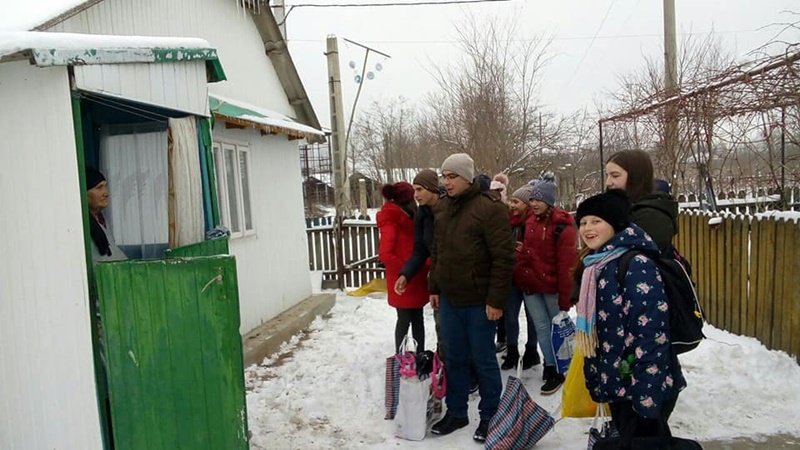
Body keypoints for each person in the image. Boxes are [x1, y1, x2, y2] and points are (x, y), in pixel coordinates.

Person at [574, 189, 686, 449]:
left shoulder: (636, 264)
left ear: (615, 224)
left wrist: (647, 396)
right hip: (620, 384)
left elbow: (652, 335)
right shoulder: (597, 265)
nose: (587, 228)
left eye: (596, 221)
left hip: (643, 389)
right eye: (582, 222)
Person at [428, 153, 514, 443]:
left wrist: (496, 301)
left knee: (483, 360)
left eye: (452, 177)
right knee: (454, 358)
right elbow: (438, 251)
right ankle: (457, 412)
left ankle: (491, 414)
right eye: (444, 176)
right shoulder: (442, 208)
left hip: (480, 301)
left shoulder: (490, 209)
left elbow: (503, 259)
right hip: (451, 299)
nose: (446, 182)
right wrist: (435, 287)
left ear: (467, 177)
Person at [517, 177, 577, 395]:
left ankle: (564, 366)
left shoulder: (562, 225)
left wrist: (565, 296)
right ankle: (550, 366)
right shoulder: (530, 221)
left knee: (558, 329)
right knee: (541, 327)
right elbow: (527, 253)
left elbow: (566, 264)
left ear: (550, 201)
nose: (533, 203)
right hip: (531, 285)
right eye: (532, 199)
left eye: (539, 200)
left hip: (552, 287)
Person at [377, 181, 429, 352]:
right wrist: (406, 272)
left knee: (417, 318)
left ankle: (419, 355)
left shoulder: (410, 216)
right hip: (403, 279)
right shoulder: (392, 219)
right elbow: (386, 254)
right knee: (404, 319)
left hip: (414, 276)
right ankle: (401, 355)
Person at [605, 150, 678, 252]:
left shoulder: (651, 216)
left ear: (635, 177)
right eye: (607, 175)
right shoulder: (619, 207)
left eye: (615, 176)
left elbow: (633, 256)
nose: (608, 182)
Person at [502, 182, 540, 371]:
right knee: (510, 316)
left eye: (516, 201)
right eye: (512, 201)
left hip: (530, 277)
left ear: (527, 203)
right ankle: (512, 351)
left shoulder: (536, 223)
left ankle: (532, 351)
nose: (512, 205)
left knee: (533, 316)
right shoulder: (509, 222)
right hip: (511, 277)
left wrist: (526, 251)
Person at [87, 167, 127, 263]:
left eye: (105, 186)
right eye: (99, 188)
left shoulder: (100, 220)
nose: (106, 193)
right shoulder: (84, 227)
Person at [490, 172, 510, 353]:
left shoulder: (506, 212)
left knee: (503, 310)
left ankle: (504, 339)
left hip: (505, 270)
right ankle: (501, 338)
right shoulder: (490, 212)